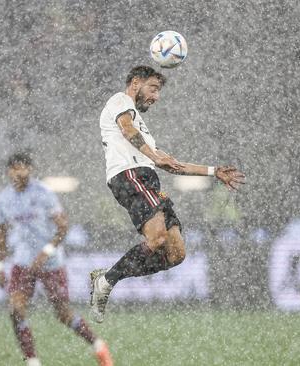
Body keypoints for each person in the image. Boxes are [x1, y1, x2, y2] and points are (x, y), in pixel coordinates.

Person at [91, 65, 246, 322]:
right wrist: (151, 156)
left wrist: (213, 171)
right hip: (129, 176)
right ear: (136, 82)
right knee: (158, 238)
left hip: (148, 181)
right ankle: (106, 282)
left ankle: (107, 278)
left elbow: (172, 164)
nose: (156, 96)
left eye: (159, 91)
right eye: (153, 88)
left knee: (176, 254)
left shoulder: (144, 131)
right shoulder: (120, 101)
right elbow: (127, 130)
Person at [0, 152, 113, 366]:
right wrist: (0, 266)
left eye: (23, 168)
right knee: (16, 309)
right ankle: (33, 361)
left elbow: (63, 226)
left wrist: (46, 251)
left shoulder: (44, 193)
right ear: (8, 171)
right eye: (15, 168)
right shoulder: (3, 199)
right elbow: (0, 234)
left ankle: (98, 346)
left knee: (63, 313)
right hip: (22, 262)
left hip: (51, 262)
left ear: (30, 170)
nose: (19, 172)